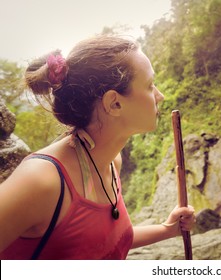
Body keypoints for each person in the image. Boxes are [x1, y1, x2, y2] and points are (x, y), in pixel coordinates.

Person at [0, 35, 196, 259]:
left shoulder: (112, 162)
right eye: (150, 85)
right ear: (114, 103)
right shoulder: (42, 181)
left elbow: (101, 240)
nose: (160, 96)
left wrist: (167, 230)